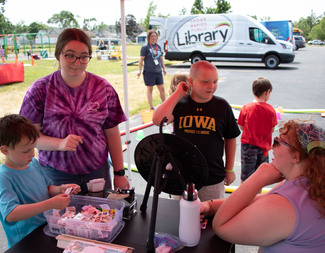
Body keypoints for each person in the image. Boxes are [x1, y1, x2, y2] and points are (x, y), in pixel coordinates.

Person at [19, 28, 129, 194]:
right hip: (55, 175)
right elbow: (27, 137)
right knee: (62, 220)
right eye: (70, 55)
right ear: (58, 55)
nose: (77, 62)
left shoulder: (103, 88)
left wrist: (119, 173)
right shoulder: (40, 90)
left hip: (98, 172)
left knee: (101, 217)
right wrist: (60, 144)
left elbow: (112, 133)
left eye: (84, 56)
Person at [200, 119, 325, 252]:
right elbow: (259, 201)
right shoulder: (309, 183)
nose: (272, 146)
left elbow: (221, 227)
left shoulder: (285, 205)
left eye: (278, 142)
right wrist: (211, 206)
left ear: (295, 156)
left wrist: (259, 177)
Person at [153, 61, 241, 201]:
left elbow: (230, 138)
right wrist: (178, 93)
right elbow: (157, 120)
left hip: (212, 178)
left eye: (215, 81)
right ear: (191, 82)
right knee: (180, 218)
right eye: (205, 82)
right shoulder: (180, 105)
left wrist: (229, 169)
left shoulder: (222, 106)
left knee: (212, 220)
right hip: (182, 176)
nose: (211, 86)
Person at [0, 114, 81, 248]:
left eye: (33, 148)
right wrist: (50, 204)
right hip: (25, 241)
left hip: (47, 229)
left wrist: (61, 189)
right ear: (5, 150)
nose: (32, 154)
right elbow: (10, 214)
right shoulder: (3, 177)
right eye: (26, 151)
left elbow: (47, 188)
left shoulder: (33, 164)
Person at [237, 77, 277, 182]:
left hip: (248, 146)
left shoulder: (246, 108)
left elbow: (241, 126)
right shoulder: (271, 110)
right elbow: (272, 129)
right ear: (267, 92)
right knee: (260, 177)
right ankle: (257, 197)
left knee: (246, 175)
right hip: (263, 148)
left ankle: (244, 196)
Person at [137, 29, 166, 110]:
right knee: (150, 89)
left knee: (162, 88)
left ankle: (164, 104)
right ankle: (151, 106)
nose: (154, 37)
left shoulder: (158, 47)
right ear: (149, 37)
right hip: (149, 72)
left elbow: (161, 58)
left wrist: (164, 68)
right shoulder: (145, 47)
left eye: (155, 36)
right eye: (152, 36)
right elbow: (141, 60)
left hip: (158, 71)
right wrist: (139, 70)